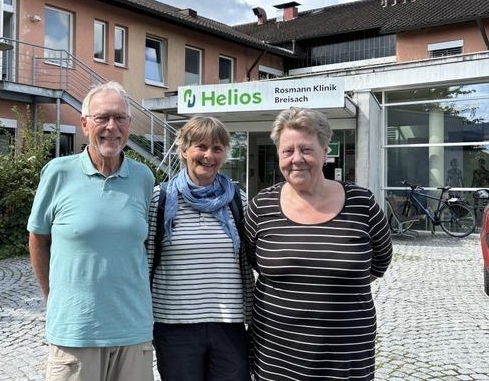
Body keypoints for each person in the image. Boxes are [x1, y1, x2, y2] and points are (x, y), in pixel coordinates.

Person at [245, 107, 393, 381]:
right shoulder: (260, 207)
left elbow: (380, 262)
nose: (296, 159)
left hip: (346, 356)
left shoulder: (363, 204)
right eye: (287, 151)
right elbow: (256, 262)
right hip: (276, 355)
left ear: (325, 151)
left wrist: (332, 283)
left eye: (306, 149)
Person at [27, 81, 155, 381]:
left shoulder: (143, 178)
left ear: (129, 124)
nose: (112, 126)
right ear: (84, 124)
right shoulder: (58, 173)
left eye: (120, 118)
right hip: (76, 330)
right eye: (102, 118)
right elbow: (38, 238)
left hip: (133, 329)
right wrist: (54, 297)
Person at [146, 116, 254, 381]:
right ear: (184, 150)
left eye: (217, 148)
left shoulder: (237, 200)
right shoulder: (160, 199)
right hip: (175, 327)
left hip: (229, 326)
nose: (209, 155)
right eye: (201, 147)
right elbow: (147, 261)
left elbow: (248, 259)